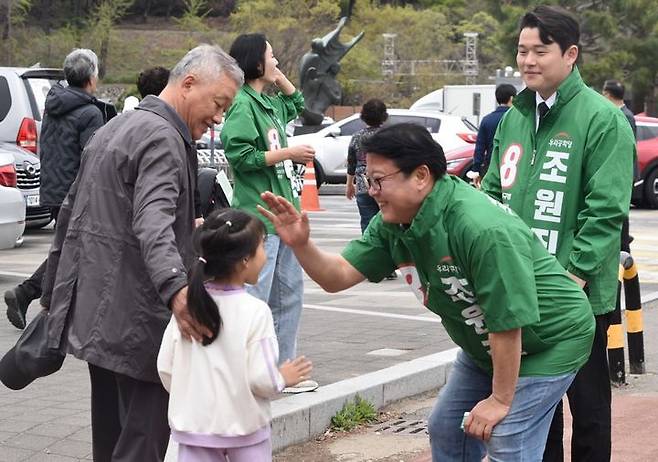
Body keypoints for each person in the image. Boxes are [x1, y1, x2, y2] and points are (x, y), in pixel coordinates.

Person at [259, 123, 595, 461]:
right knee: (447, 426)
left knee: (507, 436)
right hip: (485, 346)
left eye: (378, 180)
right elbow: (337, 277)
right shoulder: (393, 223)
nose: (370, 191)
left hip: (550, 341)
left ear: (421, 176)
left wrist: (500, 400)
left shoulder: (480, 227)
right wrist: (301, 245)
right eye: (366, 180)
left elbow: (506, 324)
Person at [39, 44, 244, 461]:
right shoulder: (164, 138)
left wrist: (51, 296)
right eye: (218, 103)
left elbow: (71, 216)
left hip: (99, 317)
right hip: (140, 322)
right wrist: (176, 289)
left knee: (111, 439)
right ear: (189, 83)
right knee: (143, 444)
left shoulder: (114, 127)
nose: (219, 117)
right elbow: (150, 221)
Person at [481, 6, 635, 462]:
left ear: (570, 55)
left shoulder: (602, 120)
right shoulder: (514, 117)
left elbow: (605, 212)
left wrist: (575, 279)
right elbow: (492, 191)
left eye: (539, 51)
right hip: (520, 290)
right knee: (533, 413)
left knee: (587, 412)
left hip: (577, 297)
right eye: (522, 50)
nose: (527, 61)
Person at [157, 209, 313, 462]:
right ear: (244, 261)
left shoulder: (188, 307)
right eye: (262, 246)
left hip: (195, 430)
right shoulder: (255, 311)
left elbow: (165, 367)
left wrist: (190, 394)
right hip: (245, 429)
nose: (265, 254)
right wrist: (282, 378)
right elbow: (261, 378)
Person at [221, 33, 318, 393]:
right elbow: (241, 158)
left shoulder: (268, 101)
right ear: (255, 63)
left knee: (289, 293)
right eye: (271, 56)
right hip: (259, 217)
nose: (277, 61)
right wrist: (288, 154)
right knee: (257, 297)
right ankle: (249, 371)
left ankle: (282, 370)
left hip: (284, 216)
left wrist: (278, 78)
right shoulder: (243, 104)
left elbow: (299, 103)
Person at [4, 48, 105, 331]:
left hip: (53, 187)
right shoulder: (90, 112)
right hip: (77, 192)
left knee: (69, 248)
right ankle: (35, 298)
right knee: (74, 250)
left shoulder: (54, 104)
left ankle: (34, 297)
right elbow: (92, 158)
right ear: (91, 77)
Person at [603, 78, 638, 253]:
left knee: (620, 215)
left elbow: (627, 149)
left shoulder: (625, 116)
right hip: (618, 172)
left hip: (622, 173)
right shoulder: (621, 113)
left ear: (607, 94)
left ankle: (624, 250)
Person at [346, 99, 388, 231]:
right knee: (387, 221)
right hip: (386, 186)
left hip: (363, 186)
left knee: (367, 222)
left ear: (364, 116)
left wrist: (349, 185)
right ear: (384, 116)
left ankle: (369, 249)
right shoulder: (389, 135)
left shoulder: (357, 137)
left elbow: (351, 162)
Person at [469, 84, 517, 187]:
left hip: (490, 166)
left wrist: (476, 169)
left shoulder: (487, 119)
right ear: (512, 98)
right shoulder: (517, 119)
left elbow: (480, 147)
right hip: (512, 167)